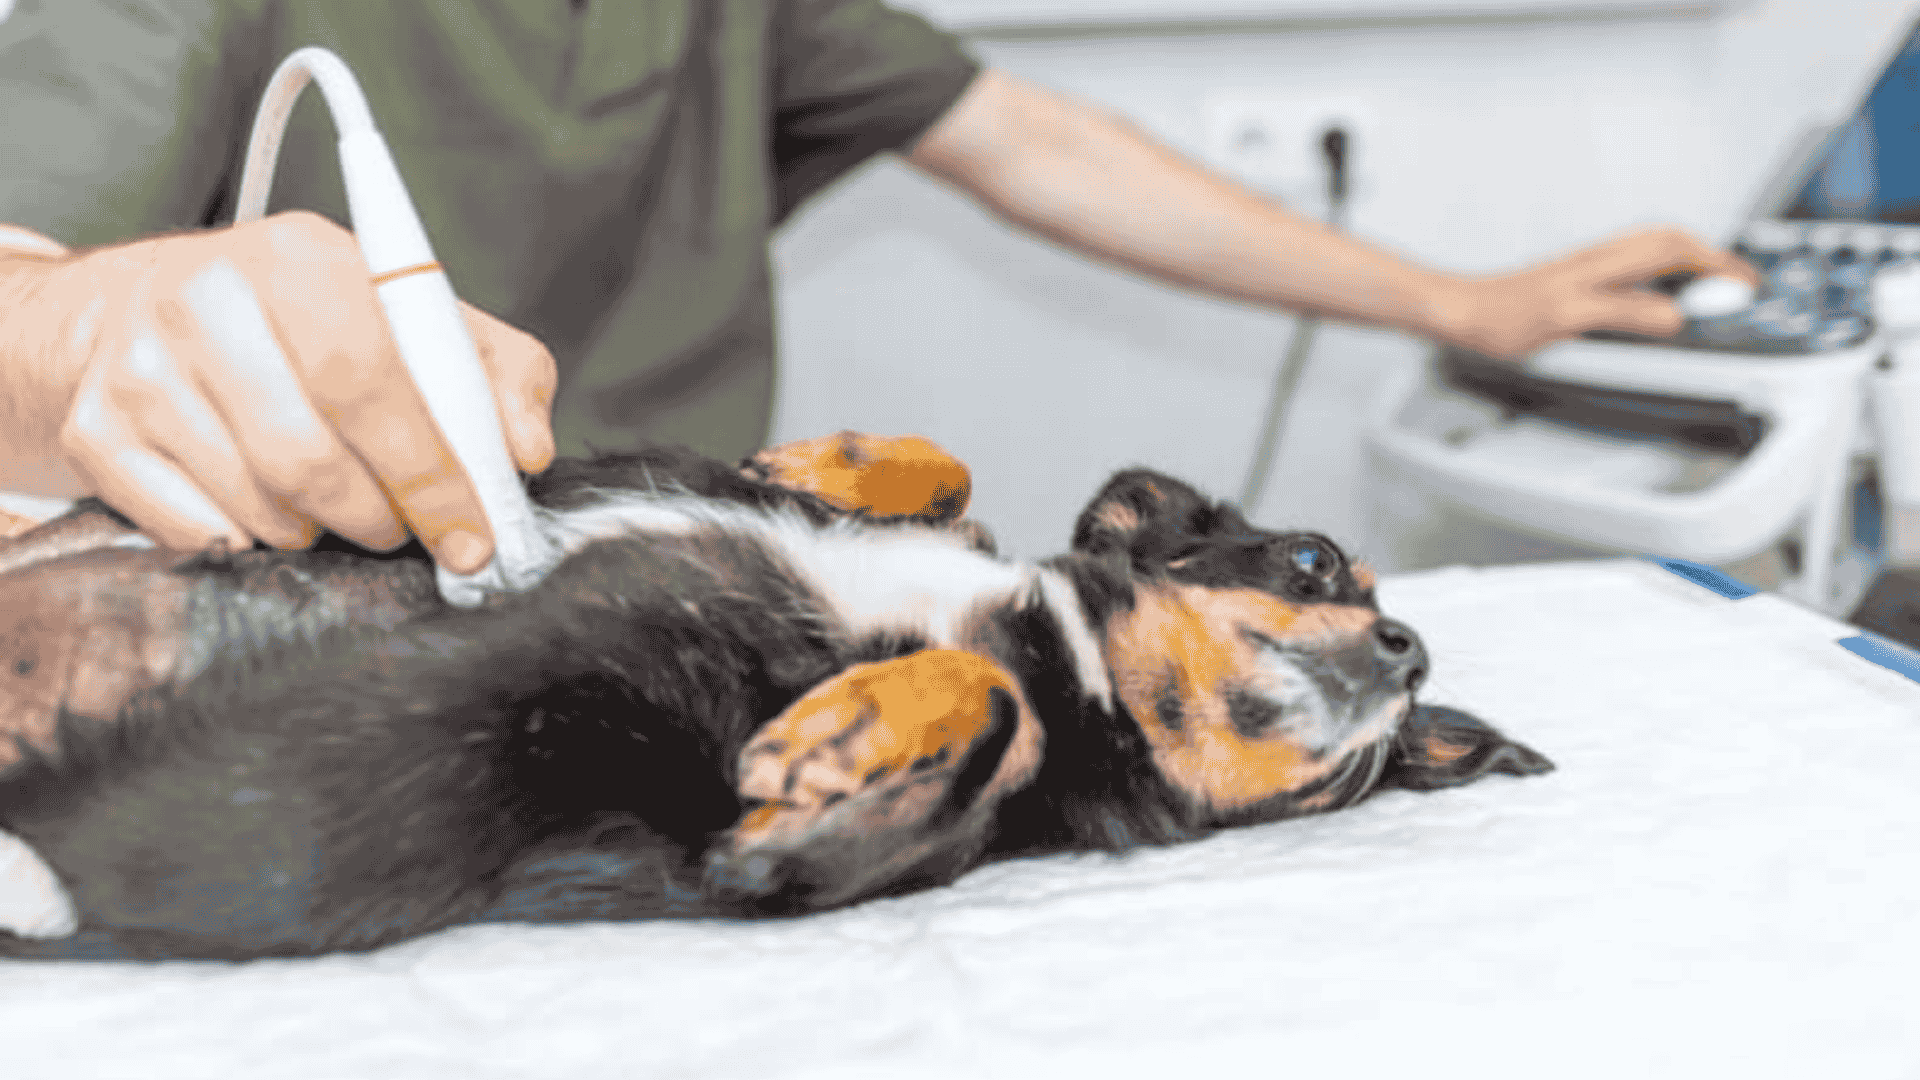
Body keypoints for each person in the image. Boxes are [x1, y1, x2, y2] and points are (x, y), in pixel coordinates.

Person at [0, 0, 1758, 575]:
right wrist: (76, 322)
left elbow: (1034, 146)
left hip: (680, 580)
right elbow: (27, 286)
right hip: (323, 600)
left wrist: (1465, 307)